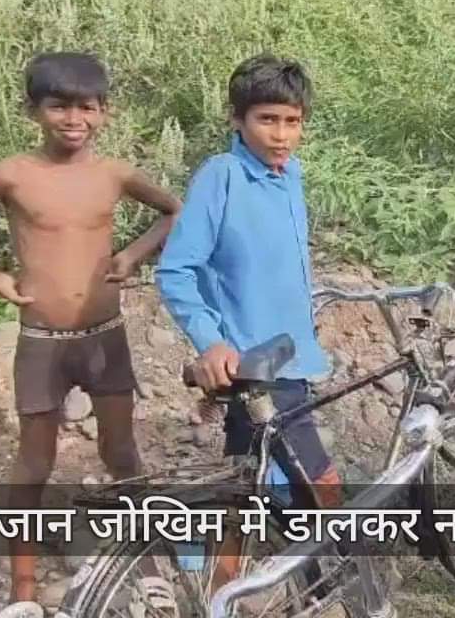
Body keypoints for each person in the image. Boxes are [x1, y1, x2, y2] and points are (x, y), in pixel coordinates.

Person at [0, 52, 180, 616]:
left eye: (87, 107)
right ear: (33, 110)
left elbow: (173, 211)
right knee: (34, 464)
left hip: (105, 336)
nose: (74, 119)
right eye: (59, 106)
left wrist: (132, 255)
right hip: (42, 342)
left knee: (122, 454)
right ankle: (23, 591)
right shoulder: (14, 174)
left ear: (105, 111)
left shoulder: (115, 174)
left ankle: (150, 568)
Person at [156, 52, 340, 590]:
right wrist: (211, 343)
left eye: (292, 121)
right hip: (256, 371)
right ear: (237, 119)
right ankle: (333, 588)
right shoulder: (223, 176)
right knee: (323, 486)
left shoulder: (290, 175)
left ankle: (229, 596)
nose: (281, 135)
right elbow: (176, 270)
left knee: (246, 491)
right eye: (267, 119)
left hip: (289, 362)